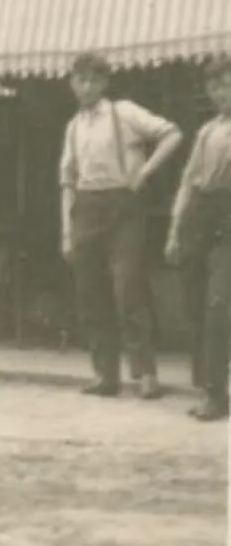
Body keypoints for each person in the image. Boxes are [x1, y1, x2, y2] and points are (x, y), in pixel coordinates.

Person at [59, 52, 183, 398]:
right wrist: (66, 230)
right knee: (90, 293)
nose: (87, 87)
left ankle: (145, 373)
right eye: (80, 79)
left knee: (127, 289)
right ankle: (105, 375)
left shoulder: (124, 112)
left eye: (94, 79)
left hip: (123, 207)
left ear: (105, 82)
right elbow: (67, 180)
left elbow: (172, 134)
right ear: (72, 83)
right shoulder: (73, 127)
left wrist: (143, 173)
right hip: (86, 207)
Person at [164, 57, 231, 422]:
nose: (222, 93)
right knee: (195, 302)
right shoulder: (207, 131)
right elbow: (188, 181)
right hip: (200, 217)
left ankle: (217, 395)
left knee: (219, 304)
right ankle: (208, 387)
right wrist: (175, 229)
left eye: (227, 84)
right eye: (215, 86)